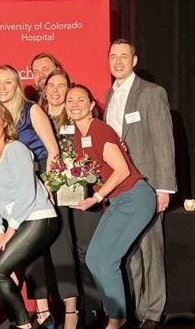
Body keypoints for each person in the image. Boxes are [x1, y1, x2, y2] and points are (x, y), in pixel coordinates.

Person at [66, 84, 157, 329]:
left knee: (105, 260)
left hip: (134, 198)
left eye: (81, 100)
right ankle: (117, 315)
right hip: (117, 201)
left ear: (92, 105)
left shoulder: (99, 129)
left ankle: (117, 320)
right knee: (96, 259)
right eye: (70, 101)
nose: (75, 105)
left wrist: (96, 198)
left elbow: (122, 170)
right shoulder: (78, 134)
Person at [104, 39, 176, 329]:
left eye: (124, 56)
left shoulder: (152, 93)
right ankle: (135, 310)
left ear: (134, 60)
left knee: (150, 249)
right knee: (128, 249)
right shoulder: (109, 95)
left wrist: (163, 188)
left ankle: (154, 312)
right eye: (113, 57)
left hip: (147, 183)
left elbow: (163, 141)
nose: (118, 61)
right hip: (121, 185)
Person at [0, 65, 59, 326]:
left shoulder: (31, 110)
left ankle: (43, 311)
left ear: (17, 85)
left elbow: (52, 149)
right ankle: (20, 314)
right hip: (7, 192)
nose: (3, 88)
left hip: (34, 183)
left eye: (8, 82)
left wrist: (49, 183)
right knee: (11, 260)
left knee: (33, 254)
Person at [39, 70, 81, 329]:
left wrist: (55, 183)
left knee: (62, 248)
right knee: (35, 251)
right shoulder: (35, 116)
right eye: (50, 85)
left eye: (61, 85)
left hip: (64, 192)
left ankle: (71, 309)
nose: (55, 90)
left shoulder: (74, 118)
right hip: (33, 191)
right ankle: (43, 312)